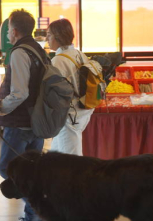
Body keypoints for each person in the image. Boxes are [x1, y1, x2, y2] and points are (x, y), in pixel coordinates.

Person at [0, 9, 48, 221]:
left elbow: (19, 93)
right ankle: (34, 220)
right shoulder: (38, 49)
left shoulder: (19, 53)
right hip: (36, 121)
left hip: (19, 125)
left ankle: (37, 213)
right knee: (32, 172)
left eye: (8, 29)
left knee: (8, 169)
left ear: (15, 31)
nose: (7, 33)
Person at [46, 18, 94, 156]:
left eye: (49, 35)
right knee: (57, 155)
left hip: (69, 116)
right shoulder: (79, 54)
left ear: (58, 36)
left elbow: (51, 91)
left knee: (71, 161)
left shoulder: (58, 60)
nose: (47, 39)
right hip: (83, 110)